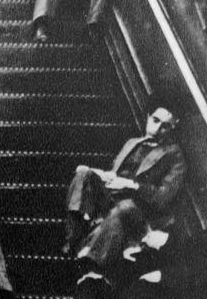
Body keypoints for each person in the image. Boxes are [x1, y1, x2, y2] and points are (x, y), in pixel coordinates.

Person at [64, 104, 187, 269]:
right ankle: (74, 238)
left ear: (172, 128)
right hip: (111, 196)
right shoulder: (132, 142)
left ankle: (90, 258)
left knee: (125, 207)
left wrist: (131, 185)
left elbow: (162, 197)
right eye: (155, 120)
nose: (157, 128)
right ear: (148, 117)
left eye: (165, 126)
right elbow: (116, 172)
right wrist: (103, 174)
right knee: (83, 175)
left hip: (138, 209)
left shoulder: (175, 156)